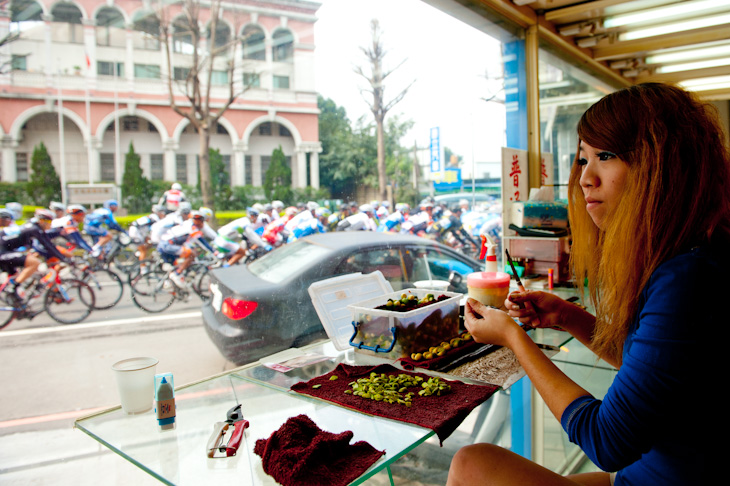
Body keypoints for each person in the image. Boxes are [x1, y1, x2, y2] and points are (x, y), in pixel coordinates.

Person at [446, 83, 728, 486]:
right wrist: (566, 315)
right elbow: (654, 370)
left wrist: (513, 337)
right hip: (653, 471)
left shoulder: (688, 278)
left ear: (662, 164)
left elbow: (607, 441)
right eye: (583, 159)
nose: (584, 178)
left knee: (471, 465)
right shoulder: (695, 255)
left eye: (606, 156)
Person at [1, 209, 69, 302]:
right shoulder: (34, 229)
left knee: (24, 270)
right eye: (49, 222)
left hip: (7, 251)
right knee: (34, 263)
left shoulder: (33, 227)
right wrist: (63, 258)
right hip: (3, 252)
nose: (50, 225)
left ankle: (19, 303)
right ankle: (12, 289)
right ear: (42, 221)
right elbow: (47, 245)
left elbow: (46, 245)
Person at [158, 211, 216, 288]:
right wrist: (213, 251)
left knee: (190, 253)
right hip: (167, 245)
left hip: (165, 244)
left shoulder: (187, 224)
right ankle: (177, 273)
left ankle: (171, 281)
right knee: (191, 254)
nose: (202, 224)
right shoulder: (192, 227)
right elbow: (202, 242)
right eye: (202, 221)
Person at [129, 204, 167, 269]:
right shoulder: (155, 218)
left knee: (149, 244)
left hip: (138, 231)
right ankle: (143, 268)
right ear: (158, 212)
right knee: (143, 250)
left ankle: (141, 257)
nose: (164, 214)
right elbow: (157, 231)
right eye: (162, 212)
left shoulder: (152, 216)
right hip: (136, 231)